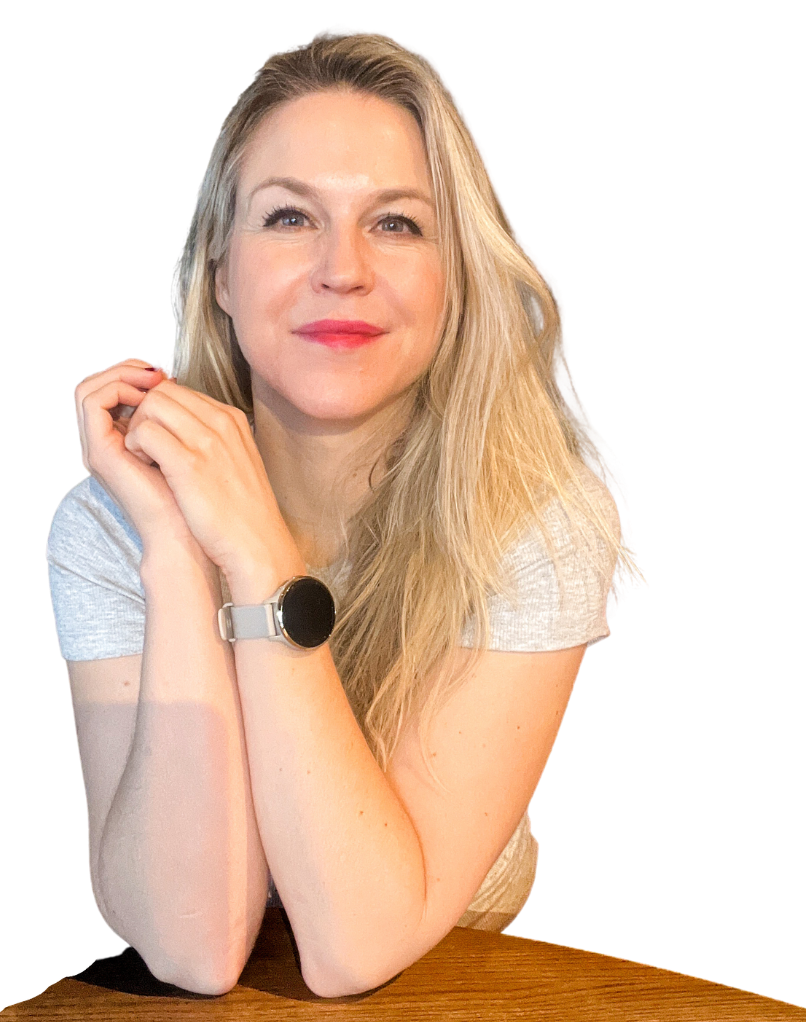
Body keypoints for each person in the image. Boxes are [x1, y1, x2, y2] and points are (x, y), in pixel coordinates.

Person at [46, 26, 647, 999]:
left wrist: (258, 556)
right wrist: (175, 551)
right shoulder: (113, 521)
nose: (343, 269)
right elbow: (191, 946)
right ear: (220, 273)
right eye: (289, 217)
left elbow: (352, 945)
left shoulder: (539, 520)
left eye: (397, 223)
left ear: (455, 277)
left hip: (454, 987)